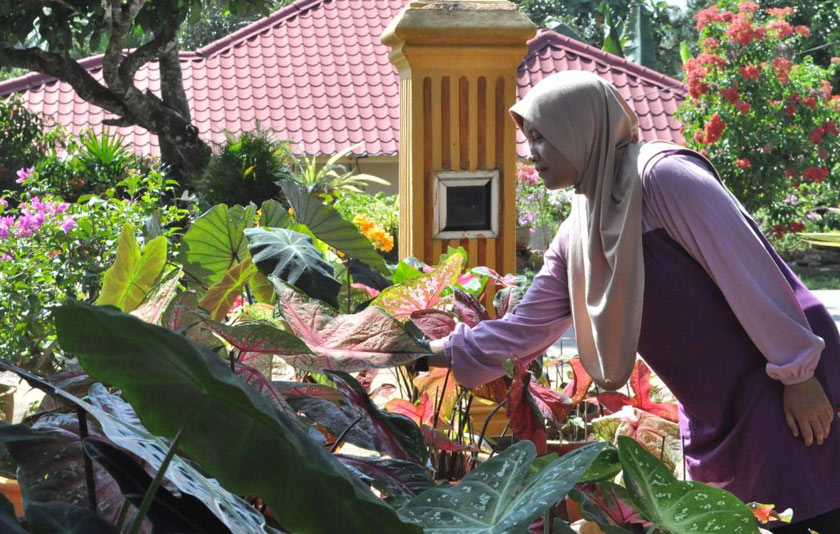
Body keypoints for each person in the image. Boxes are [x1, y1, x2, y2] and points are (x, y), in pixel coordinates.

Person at [426, 70, 840, 534]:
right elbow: (527, 328)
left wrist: (798, 372)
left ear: (580, 128)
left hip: (782, 386)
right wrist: (431, 351)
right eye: (530, 139)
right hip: (713, 407)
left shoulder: (665, 179)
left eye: (542, 137)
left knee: (809, 517)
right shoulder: (577, 231)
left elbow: (751, 274)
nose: (532, 153)